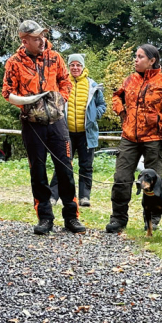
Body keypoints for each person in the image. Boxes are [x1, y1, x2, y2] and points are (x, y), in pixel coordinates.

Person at [2, 21, 86, 236]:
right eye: (36, 38)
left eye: (43, 37)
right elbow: (7, 92)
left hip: (57, 122)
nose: (41, 41)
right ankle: (44, 218)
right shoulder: (13, 62)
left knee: (65, 169)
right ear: (25, 40)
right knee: (37, 171)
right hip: (32, 124)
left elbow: (65, 81)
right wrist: (29, 104)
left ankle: (71, 217)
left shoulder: (55, 57)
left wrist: (61, 99)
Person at [106, 44, 162, 234]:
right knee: (121, 179)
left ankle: (153, 219)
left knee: (154, 183)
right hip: (129, 136)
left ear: (152, 61)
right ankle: (118, 219)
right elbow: (116, 96)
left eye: (140, 57)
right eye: (135, 56)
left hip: (155, 138)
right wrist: (121, 110)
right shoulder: (129, 80)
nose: (136, 60)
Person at [49, 54, 106, 208]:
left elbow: (102, 105)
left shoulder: (92, 85)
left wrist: (95, 115)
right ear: (68, 67)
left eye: (78, 65)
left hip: (87, 133)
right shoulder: (62, 83)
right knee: (62, 164)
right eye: (72, 65)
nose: (75, 68)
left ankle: (84, 197)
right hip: (65, 133)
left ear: (83, 67)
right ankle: (53, 196)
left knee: (86, 166)